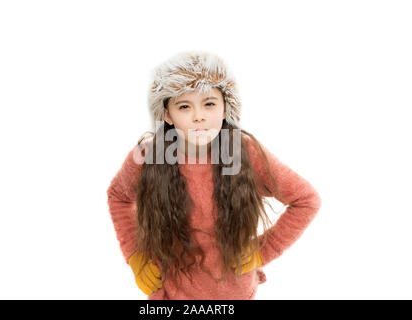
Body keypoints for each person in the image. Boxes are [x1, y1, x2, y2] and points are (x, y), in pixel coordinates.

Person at [106, 50, 322, 300]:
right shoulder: (147, 155)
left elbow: (306, 200)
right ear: (167, 115)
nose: (198, 116)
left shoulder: (245, 152)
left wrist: (265, 249)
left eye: (209, 103)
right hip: (171, 294)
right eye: (184, 106)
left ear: (224, 108)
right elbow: (118, 197)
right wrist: (136, 256)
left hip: (234, 294)